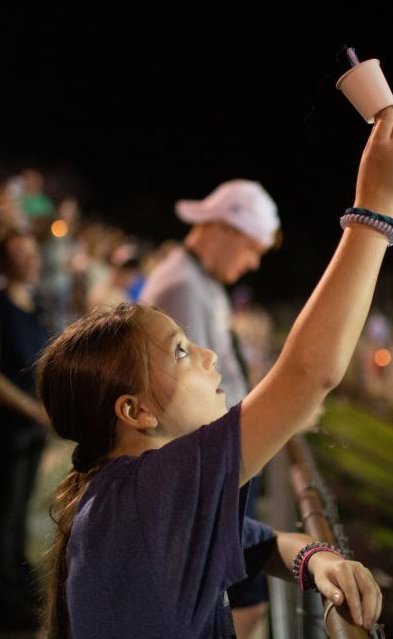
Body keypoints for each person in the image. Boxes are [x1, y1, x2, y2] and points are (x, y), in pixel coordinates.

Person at [38, 106, 393, 638]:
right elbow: (309, 373)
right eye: (179, 351)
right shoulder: (149, 495)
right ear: (136, 410)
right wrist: (376, 210)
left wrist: (316, 560)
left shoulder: (134, 496)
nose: (209, 356)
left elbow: (253, 540)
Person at [138, 178, 279, 636]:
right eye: (252, 248)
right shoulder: (181, 285)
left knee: (244, 600)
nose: (254, 262)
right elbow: (187, 400)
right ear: (222, 228)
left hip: (222, 456)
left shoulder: (198, 279)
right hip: (213, 462)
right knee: (238, 605)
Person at [0, 231, 53, 631]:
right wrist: (32, 410)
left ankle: (19, 585)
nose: (31, 259)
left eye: (34, 251)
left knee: (19, 512)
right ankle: (0, 600)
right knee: (3, 514)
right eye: (22, 253)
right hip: (5, 429)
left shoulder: (36, 304)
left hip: (32, 429)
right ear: (4, 261)